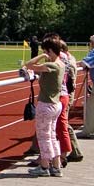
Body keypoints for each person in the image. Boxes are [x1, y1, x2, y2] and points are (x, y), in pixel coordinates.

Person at [23, 37, 66, 176]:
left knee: (44, 137)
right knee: (52, 136)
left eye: (45, 51)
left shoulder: (52, 66)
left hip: (46, 104)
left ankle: (44, 167)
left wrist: (41, 55)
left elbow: (28, 65)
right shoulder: (61, 64)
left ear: (49, 51)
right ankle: (56, 166)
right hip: (56, 104)